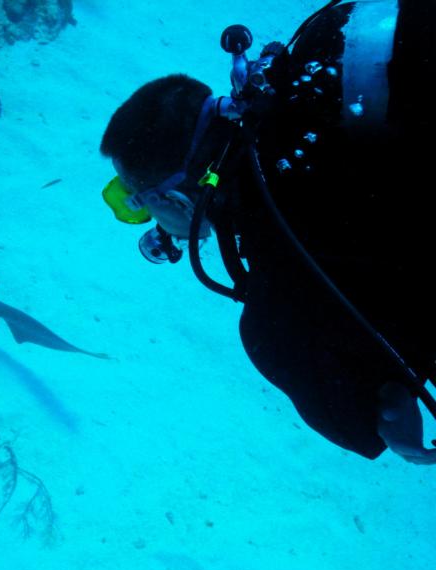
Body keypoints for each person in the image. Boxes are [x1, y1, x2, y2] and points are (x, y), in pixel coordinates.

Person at [99, 0, 436, 463]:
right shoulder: (310, 68)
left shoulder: (276, 309)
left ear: (172, 200)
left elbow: (362, 416)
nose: (158, 227)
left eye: (138, 204)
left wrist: (385, 395)